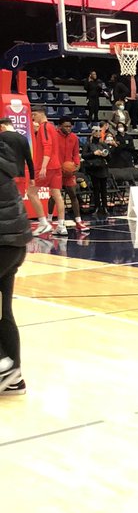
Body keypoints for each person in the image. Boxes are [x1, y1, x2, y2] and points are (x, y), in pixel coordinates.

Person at [0, 131, 32, 394]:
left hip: (2, 243)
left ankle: (2, 365)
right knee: (3, 312)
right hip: (14, 244)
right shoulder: (3, 160)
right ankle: (14, 378)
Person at [29, 107, 67, 237]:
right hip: (56, 166)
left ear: (40, 114)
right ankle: (61, 226)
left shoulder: (44, 127)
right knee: (57, 195)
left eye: (34, 115)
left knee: (31, 193)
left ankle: (43, 222)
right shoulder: (51, 127)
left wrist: (44, 166)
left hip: (47, 166)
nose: (33, 118)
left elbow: (47, 147)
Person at [57, 117, 89, 232]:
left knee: (73, 195)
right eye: (66, 126)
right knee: (54, 196)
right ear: (60, 126)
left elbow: (76, 153)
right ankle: (50, 220)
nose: (68, 128)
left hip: (69, 170)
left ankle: (78, 221)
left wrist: (76, 165)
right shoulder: (55, 136)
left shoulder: (74, 137)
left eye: (70, 126)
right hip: (57, 170)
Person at [83, 124, 112, 221]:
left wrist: (105, 154)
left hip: (103, 168)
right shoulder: (88, 144)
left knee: (104, 189)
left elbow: (109, 157)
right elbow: (84, 155)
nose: (98, 133)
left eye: (100, 131)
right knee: (96, 189)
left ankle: (105, 206)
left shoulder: (103, 144)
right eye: (96, 131)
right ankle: (96, 206)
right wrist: (93, 153)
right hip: (93, 169)